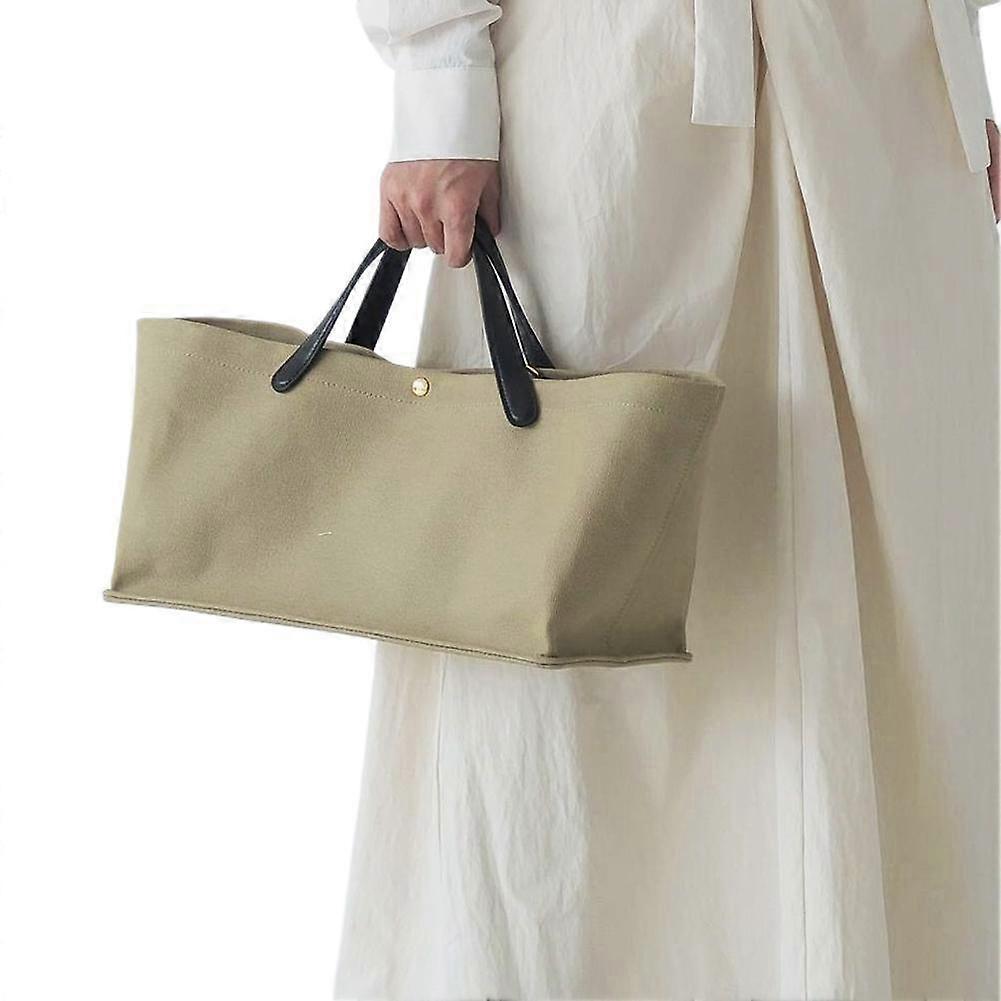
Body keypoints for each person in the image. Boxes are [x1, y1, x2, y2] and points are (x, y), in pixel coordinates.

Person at [334, 1, 1001, 997]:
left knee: (900, 617)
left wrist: (957, 71)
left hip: (881, 99)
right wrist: (438, 82)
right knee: (561, 608)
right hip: (612, 95)